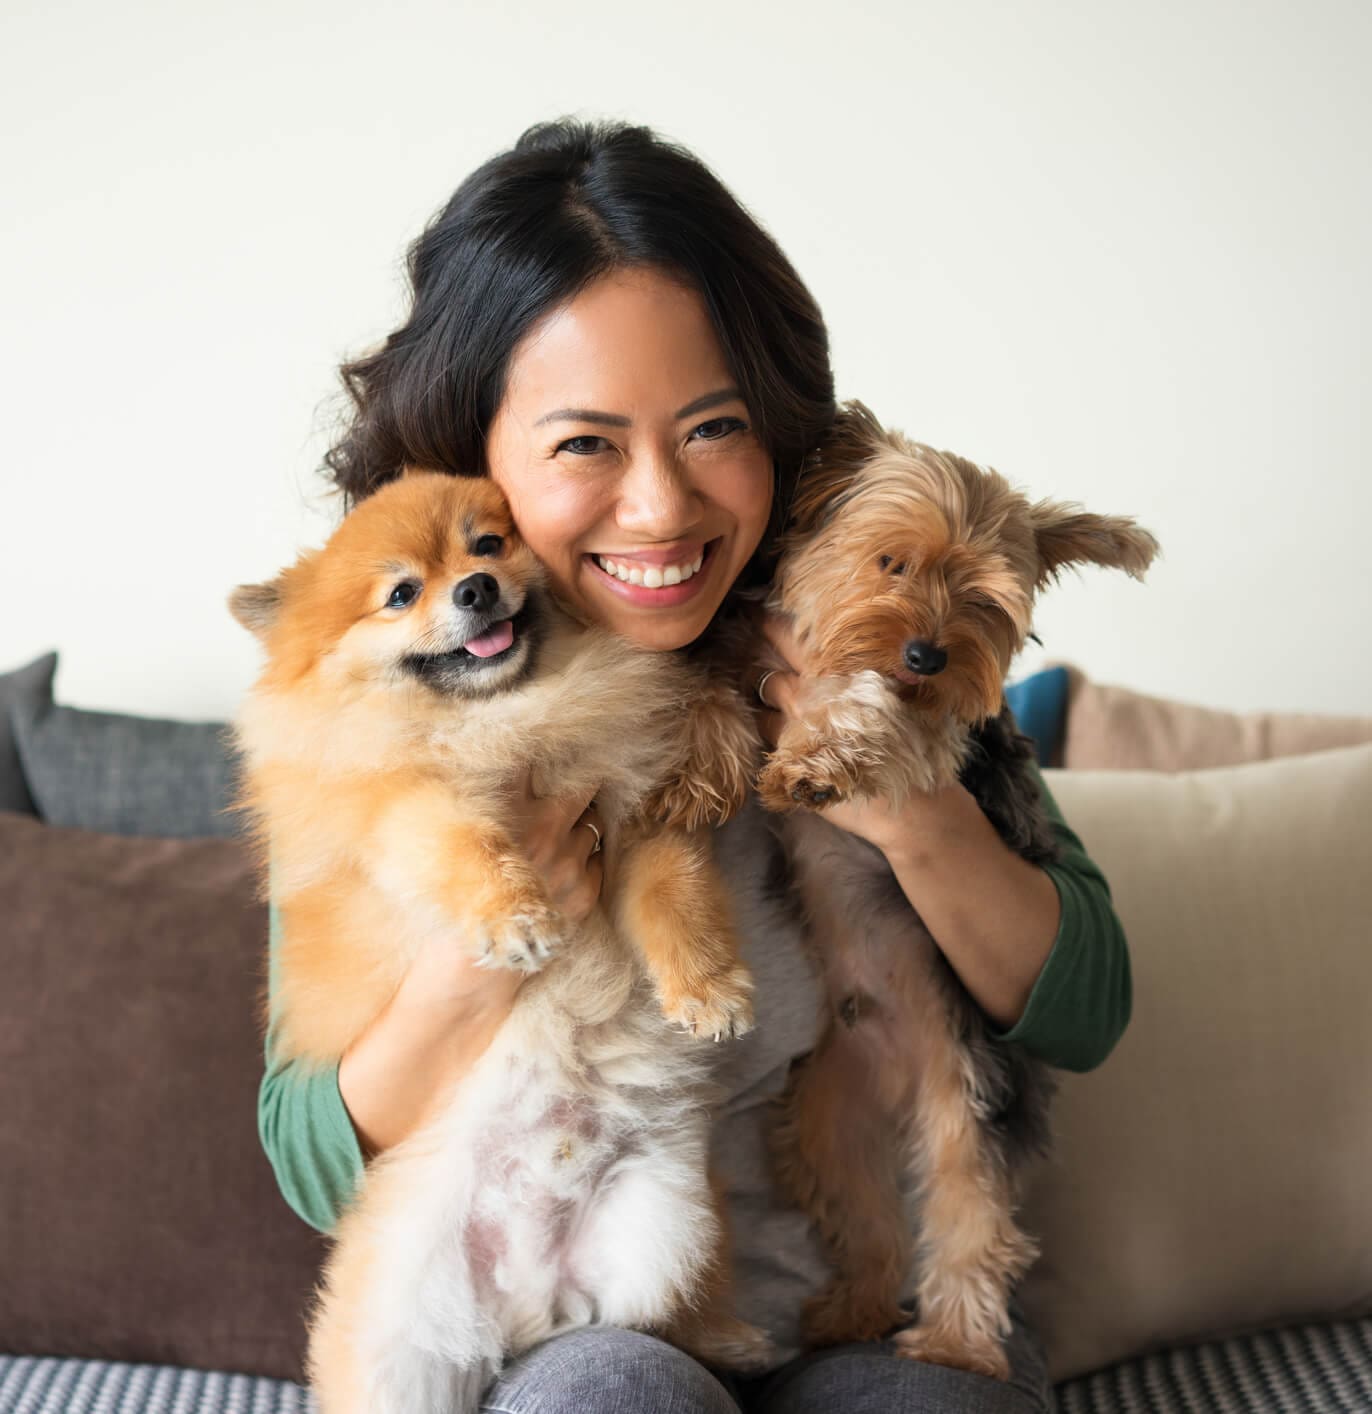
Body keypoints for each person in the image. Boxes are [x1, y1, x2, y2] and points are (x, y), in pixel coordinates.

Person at [258, 118, 1131, 1414]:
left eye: (712, 427)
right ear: (473, 451)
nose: (661, 505)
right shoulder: (409, 718)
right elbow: (313, 1156)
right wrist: (480, 943)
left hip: (883, 1322)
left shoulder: (877, 648)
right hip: (591, 1317)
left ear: (781, 436)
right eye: (585, 443)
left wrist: (912, 814)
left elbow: (1089, 1005)